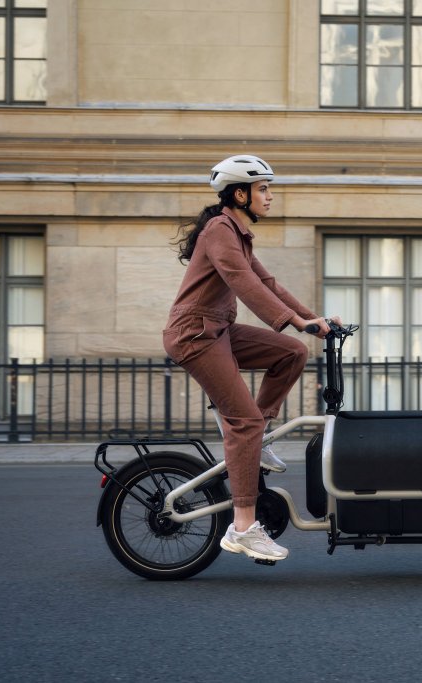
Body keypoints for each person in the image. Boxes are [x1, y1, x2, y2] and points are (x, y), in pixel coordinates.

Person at [163, 154, 331, 563]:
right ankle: (242, 528)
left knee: (292, 351)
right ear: (240, 194)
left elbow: (265, 281)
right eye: (263, 189)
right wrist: (290, 318)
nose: (270, 196)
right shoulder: (220, 229)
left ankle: (256, 437)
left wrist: (310, 319)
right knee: (244, 421)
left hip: (219, 329)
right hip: (196, 334)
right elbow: (241, 282)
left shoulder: (237, 232)